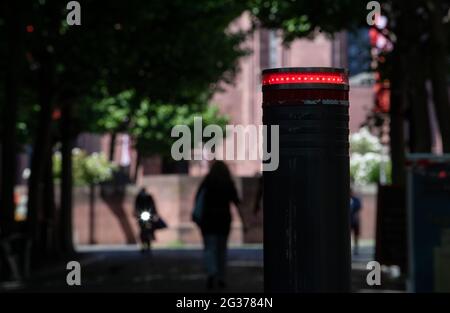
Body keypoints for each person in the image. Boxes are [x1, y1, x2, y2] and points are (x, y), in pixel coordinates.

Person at [194, 161, 242, 290]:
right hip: (223, 220)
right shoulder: (227, 183)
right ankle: (221, 277)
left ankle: (212, 272)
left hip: (208, 220)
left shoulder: (207, 182)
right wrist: (243, 221)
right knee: (221, 249)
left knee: (210, 248)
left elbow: (198, 199)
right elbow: (237, 203)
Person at [135, 187, 165, 253]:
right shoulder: (138, 198)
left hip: (148, 216)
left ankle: (148, 245)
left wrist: (154, 214)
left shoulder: (149, 197)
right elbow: (136, 207)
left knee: (149, 230)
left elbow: (153, 206)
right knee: (143, 231)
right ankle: (143, 245)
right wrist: (136, 213)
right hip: (141, 216)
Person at [350, 187, 362, 255]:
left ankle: (356, 248)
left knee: (356, 235)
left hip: (355, 221)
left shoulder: (356, 200)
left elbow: (359, 207)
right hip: (349, 221)